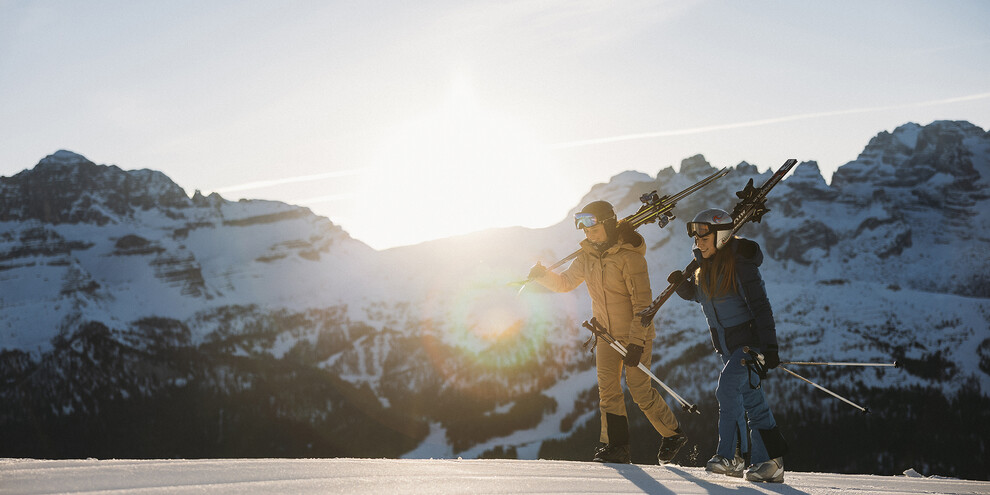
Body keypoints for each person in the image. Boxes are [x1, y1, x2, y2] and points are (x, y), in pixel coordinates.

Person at [529, 200, 687, 465]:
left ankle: (673, 434)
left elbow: (643, 307)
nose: (588, 232)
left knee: (639, 390)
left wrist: (637, 343)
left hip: (635, 334)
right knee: (608, 391)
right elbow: (566, 282)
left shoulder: (630, 257)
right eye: (584, 227)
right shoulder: (586, 257)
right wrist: (543, 276)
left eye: (593, 225)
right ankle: (616, 446)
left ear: (608, 223)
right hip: (605, 335)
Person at [669, 208, 788, 483]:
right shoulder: (704, 267)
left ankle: (730, 456)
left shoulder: (741, 264)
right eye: (695, 235)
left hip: (749, 345)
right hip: (727, 347)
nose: (697, 241)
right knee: (752, 401)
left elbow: (760, 306)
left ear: (721, 235)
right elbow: (707, 299)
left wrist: (769, 348)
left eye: (703, 235)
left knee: (727, 390)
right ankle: (770, 462)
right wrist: (685, 288)